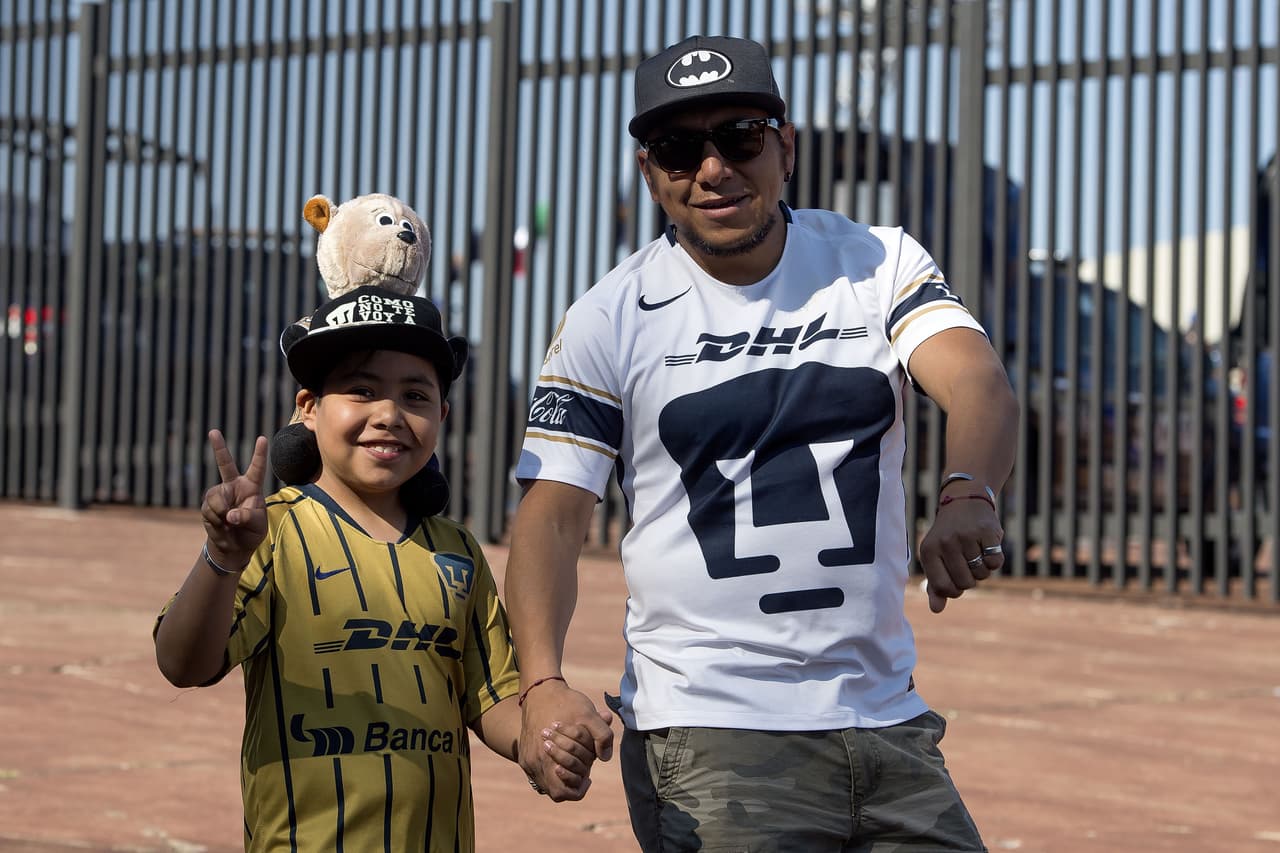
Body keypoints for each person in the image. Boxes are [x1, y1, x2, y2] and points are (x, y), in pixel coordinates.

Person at [505, 34, 1018, 851]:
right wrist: (541, 681)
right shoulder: (607, 317)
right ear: (649, 174)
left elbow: (977, 380)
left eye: (740, 137)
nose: (713, 169)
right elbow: (554, 514)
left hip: (887, 720)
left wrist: (968, 492)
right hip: (710, 737)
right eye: (678, 150)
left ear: (786, 147)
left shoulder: (876, 263)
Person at [153, 285, 598, 852]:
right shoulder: (274, 532)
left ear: (441, 414)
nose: (388, 414)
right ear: (309, 408)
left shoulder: (457, 552)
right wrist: (222, 558)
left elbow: (492, 700)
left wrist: (544, 742)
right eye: (361, 391)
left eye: (415, 396)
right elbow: (181, 662)